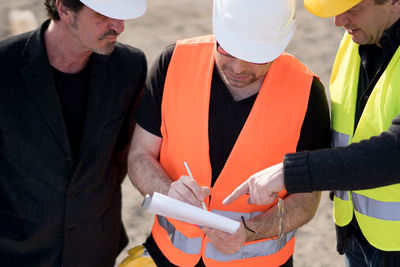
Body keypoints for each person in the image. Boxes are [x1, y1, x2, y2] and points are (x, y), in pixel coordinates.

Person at [121, 0, 332, 266]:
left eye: (256, 57)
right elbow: (140, 156)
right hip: (169, 257)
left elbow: (306, 200)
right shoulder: (173, 62)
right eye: (228, 50)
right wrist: (167, 192)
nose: (238, 68)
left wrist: (250, 232)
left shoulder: (307, 92)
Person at [223, 0, 400, 266]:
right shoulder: (357, 38)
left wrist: (291, 172)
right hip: (359, 232)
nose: (338, 22)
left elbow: (393, 153)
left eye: (352, 9)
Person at [0, 0, 147, 266]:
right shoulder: (4, 66)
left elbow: (122, 155)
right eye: (105, 16)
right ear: (65, 10)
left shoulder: (130, 66)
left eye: (122, 16)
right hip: (16, 249)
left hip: (93, 246)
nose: (119, 27)